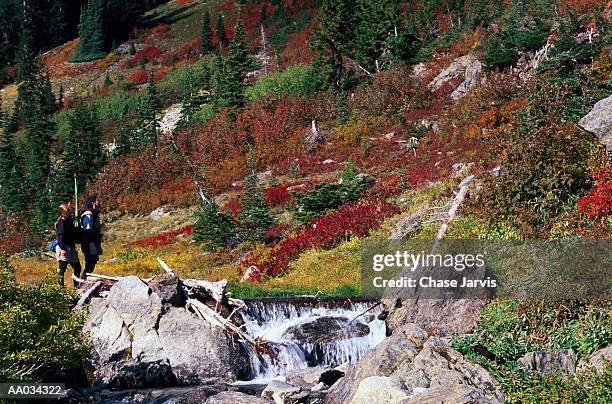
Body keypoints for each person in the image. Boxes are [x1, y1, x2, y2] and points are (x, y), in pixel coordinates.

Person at [55, 202, 82, 287]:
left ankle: (75, 285)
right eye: (69, 210)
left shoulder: (68, 220)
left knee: (75, 267)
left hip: (69, 246)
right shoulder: (63, 221)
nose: (71, 211)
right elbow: (60, 236)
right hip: (65, 246)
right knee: (63, 268)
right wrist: (62, 249)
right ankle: (61, 287)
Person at [80, 195, 103, 276]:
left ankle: (84, 279)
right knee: (90, 262)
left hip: (92, 242)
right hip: (89, 242)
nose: (99, 202)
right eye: (98, 201)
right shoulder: (89, 215)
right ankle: (83, 280)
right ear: (93, 203)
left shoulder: (93, 214)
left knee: (92, 261)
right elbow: (88, 229)